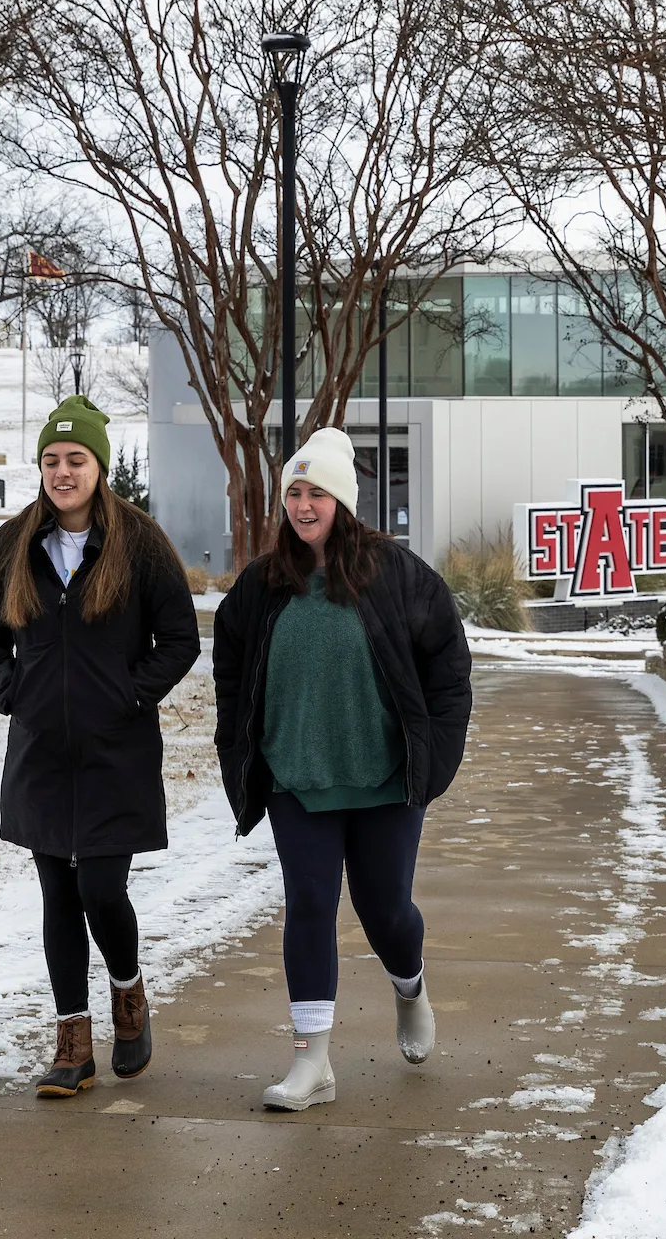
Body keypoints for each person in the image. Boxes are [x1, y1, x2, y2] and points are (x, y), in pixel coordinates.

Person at [212, 426, 473, 1111]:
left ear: (344, 501)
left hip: (384, 780)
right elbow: (232, 671)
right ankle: (312, 1061)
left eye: (316, 493)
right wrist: (242, 752)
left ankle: (410, 988)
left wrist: (435, 757)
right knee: (309, 905)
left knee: (385, 910)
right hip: (298, 778)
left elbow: (448, 672)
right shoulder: (262, 585)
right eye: (294, 493)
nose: (302, 506)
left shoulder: (399, 576)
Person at [0, 393, 200, 1098]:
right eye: (51, 460)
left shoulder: (139, 542)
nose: (62, 472)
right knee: (57, 896)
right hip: (40, 753)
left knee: (101, 887)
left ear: (99, 466)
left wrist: (128, 696)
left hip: (114, 753)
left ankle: (128, 994)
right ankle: (73, 1043)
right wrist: (14, 692)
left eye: (76, 459)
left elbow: (181, 640)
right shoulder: (15, 543)